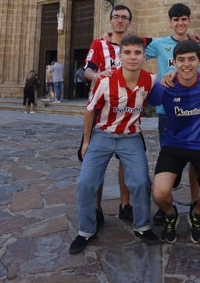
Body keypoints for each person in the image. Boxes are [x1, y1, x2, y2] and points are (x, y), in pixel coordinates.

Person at [69, 35, 160, 254]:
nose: (132, 57)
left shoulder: (151, 80)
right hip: (102, 135)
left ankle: (142, 226)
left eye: (137, 53)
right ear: (120, 56)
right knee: (86, 183)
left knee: (140, 182)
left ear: (144, 56)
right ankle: (85, 230)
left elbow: (163, 94)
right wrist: (87, 141)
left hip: (130, 137)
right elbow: (90, 110)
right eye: (127, 52)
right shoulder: (105, 80)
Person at [146, 39, 200, 244]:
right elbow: (142, 97)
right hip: (174, 144)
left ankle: (196, 216)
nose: (186, 64)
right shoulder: (165, 86)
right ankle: (171, 216)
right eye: (181, 60)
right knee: (159, 193)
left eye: (191, 59)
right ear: (174, 62)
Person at [144, 3, 200, 225]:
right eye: (175, 20)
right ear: (170, 22)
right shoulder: (159, 44)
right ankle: (166, 205)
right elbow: (134, 48)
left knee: (197, 161)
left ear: (189, 21)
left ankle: (195, 202)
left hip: (197, 110)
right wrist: (111, 35)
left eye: (183, 19)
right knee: (168, 161)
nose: (180, 23)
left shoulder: (199, 45)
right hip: (168, 113)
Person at [83, 4, 143, 224]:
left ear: (129, 22)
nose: (119, 21)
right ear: (110, 21)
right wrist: (98, 76)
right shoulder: (99, 43)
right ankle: (96, 209)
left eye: (124, 17)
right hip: (101, 112)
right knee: (96, 164)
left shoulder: (136, 42)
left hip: (128, 114)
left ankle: (125, 204)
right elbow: (87, 69)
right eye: (116, 17)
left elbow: (166, 42)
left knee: (126, 162)